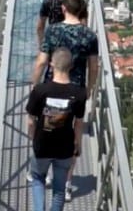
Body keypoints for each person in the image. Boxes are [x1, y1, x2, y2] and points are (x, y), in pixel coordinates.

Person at [31, 0, 99, 202]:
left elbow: (42, 62)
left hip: (53, 88)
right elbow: (93, 66)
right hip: (76, 90)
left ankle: (46, 172)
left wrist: (35, 86)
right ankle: (67, 182)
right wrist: (89, 88)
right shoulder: (89, 36)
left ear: (63, 9)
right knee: (71, 133)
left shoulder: (53, 31)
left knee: (50, 127)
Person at [26, 47, 87, 211]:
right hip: (65, 148)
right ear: (71, 66)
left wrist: (33, 139)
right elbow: (79, 123)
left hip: (42, 146)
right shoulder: (80, 93)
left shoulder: (39, 90)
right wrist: (77, 144)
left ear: (51, 65)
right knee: (59, 190)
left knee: (38, 179)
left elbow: (31, 121)